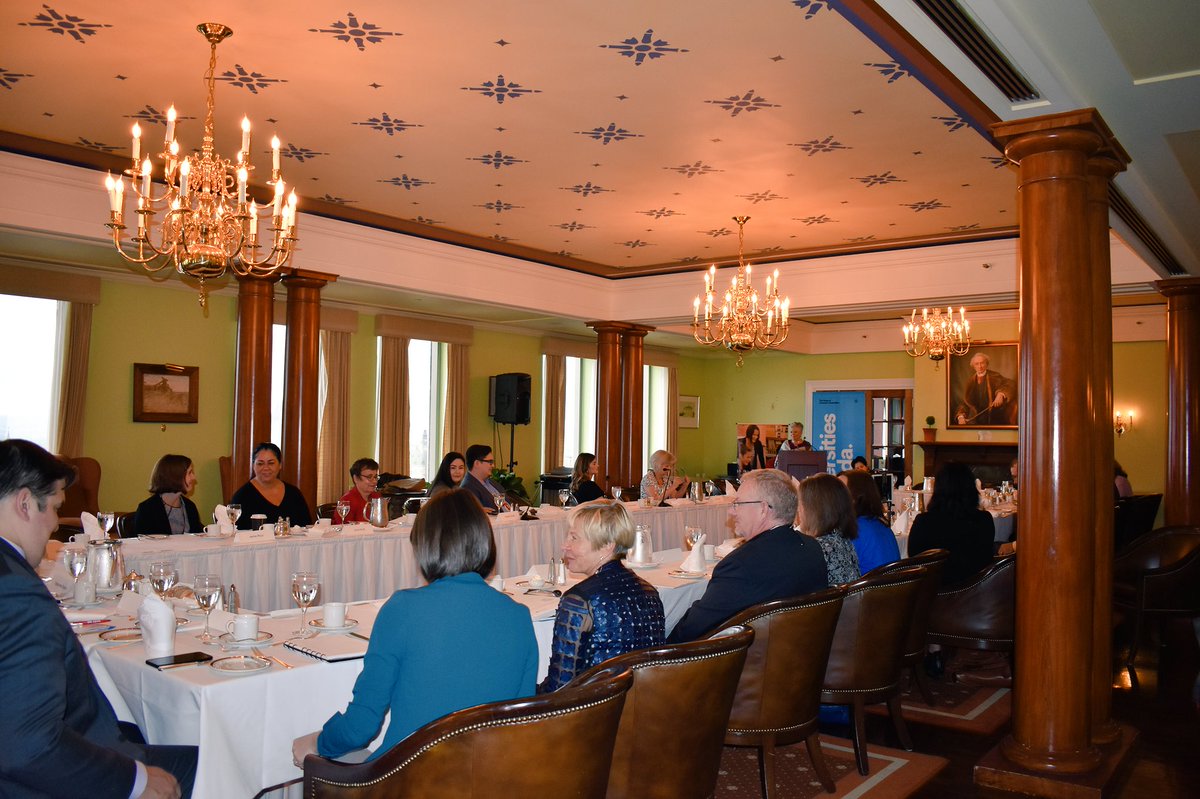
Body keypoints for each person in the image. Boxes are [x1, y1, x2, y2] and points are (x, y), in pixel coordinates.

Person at [0, 439, 197, 799]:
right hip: (50, 778)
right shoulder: (16, 593)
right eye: (56, 507)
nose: (54, 525)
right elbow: (27, 747)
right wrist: (134, 781)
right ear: (25, 504)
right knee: (225, 760)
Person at [292, 489, 538, 766]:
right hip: (488, 775)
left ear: (425, 547)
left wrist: (317, 742)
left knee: (308, 757)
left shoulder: (403, 609)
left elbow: (360, 727)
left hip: (411, 779)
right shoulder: (518, 616)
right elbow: (519, 723)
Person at [667, 469, 828, 642]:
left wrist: (659, 650)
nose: (731, 511)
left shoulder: (741, 565)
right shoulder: (812, 547)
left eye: (738, 504)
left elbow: (693, 629)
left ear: (763, 509)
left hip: (752, 663)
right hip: (802, 654)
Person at [539, 500, 664, 692]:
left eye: (574, 538)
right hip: (642, 710)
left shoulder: (579, 600)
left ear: (607, 545)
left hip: (595, 715)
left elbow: (560, 689)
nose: (565, 546)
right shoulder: (649, 591)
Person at [908, 461, 995, 586]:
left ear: (937, 489)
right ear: (971, 488)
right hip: (975, 593)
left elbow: (914, 560)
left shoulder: (924, 522)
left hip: (934, 595)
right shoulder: (984, 520)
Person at [796, 473, 861, 586]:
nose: (798, 510)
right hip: (853, 602)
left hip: (837, 603)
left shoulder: (818, 549)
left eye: (801, 504)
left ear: (814, 509)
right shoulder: (841, 538)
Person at [230, 443, 312, 528]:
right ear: (253, 466)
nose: (266, 468)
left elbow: (306, 526)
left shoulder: (294, 494)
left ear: (280, 465)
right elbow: (235, 531)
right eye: (260, 464)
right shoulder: (242, 497)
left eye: (271, 463)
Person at [838, 469, 901, 574]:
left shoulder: (855, 530)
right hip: (892, 588)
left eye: (840, 490)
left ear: (856, 496)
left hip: (868, 589)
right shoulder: (881, 526)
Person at [133, 454, 202, 536]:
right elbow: (139, 544)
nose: (194, 477)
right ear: (175, 476)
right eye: (190, 473)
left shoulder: (190, 507)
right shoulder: (147, 510)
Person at [955, 352, 1017, 426]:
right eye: (977, 364)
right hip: (976, 419)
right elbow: (965, 402)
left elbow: (1011, 384)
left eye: (982, 363)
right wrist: (961, 416)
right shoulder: (970, 382)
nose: (980, 366)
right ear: (973, 366)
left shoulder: (995, 376)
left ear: (986, 364)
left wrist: (1001, 394)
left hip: (995, 418)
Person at [461, 444, 507, 512]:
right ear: (477, 463)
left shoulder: (492, 482)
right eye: (490, 462)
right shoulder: (468, 488)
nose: (493, 466)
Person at [336, 458, 379, 523]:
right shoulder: (347, 501)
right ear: (355, 478)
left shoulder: (377, 496)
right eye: (369, 477)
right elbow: (342, 528)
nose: (374, 481)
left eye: (375, 477)